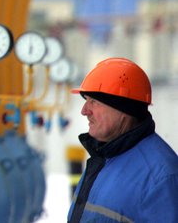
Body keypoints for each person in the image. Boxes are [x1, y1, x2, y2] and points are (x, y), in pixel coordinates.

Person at [68, 57, 178, 222]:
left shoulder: (161, 177)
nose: (84, 111)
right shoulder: (103, 158)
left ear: (123, 109)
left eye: (94, 102)